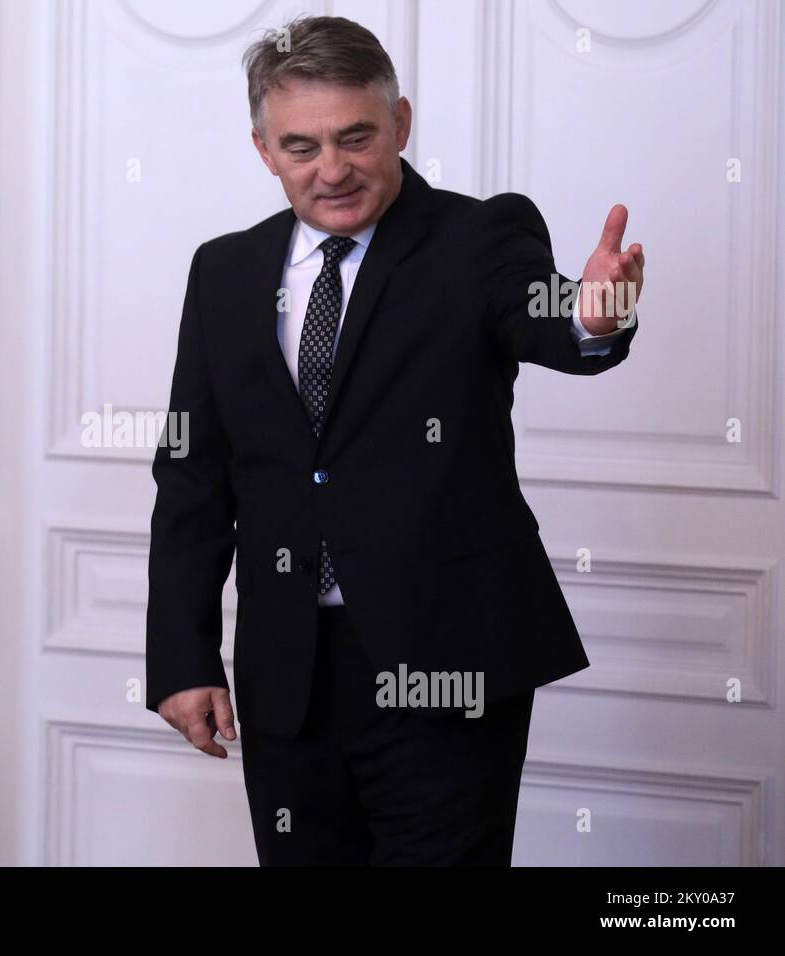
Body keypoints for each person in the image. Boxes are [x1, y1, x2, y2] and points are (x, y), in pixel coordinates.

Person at [145, 16, 644, 865]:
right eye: (300, 145)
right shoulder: (223, 271)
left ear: (401, 125)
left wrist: (592, 314)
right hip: (288, 675)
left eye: (355, 137)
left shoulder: (480, 238)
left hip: (448, 666)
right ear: (264, 148)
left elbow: (548, 315)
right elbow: (194, 477)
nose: (330, 169)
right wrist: (182, 655)